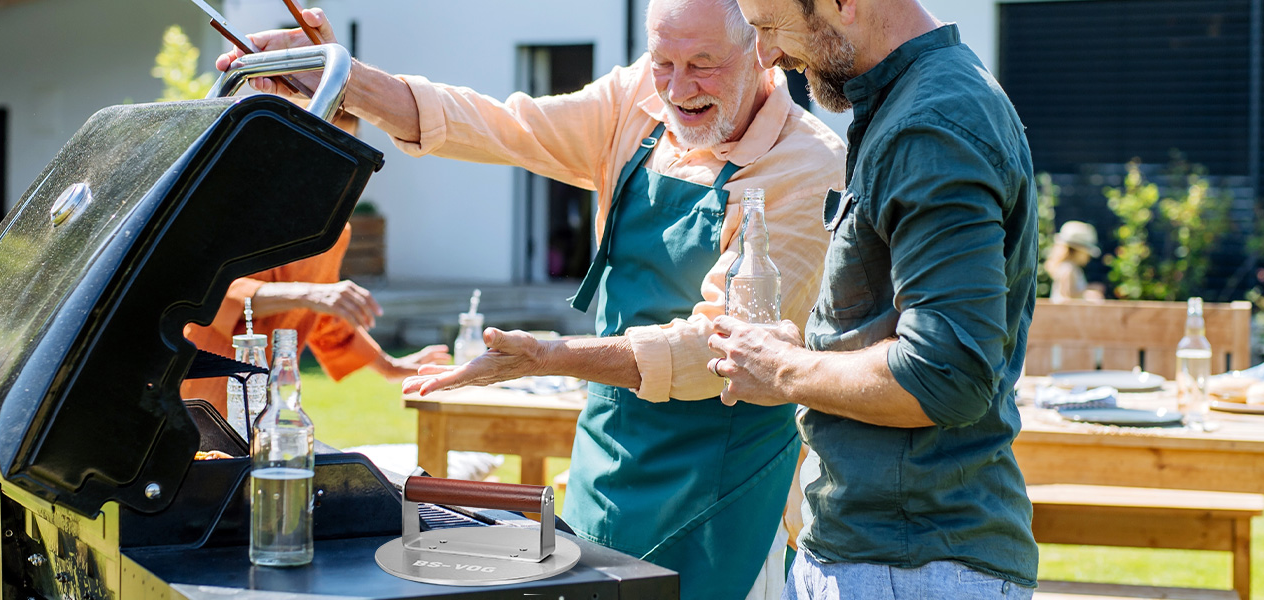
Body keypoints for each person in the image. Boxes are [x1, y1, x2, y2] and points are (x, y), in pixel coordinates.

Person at [218, 1, 845, 597]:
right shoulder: (637, 100)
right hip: (609, 447)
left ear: (764, 46)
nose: (677, 90)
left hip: (722, 477)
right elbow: (502, 125)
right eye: (663, 63)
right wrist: (347, 79)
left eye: (702, 65)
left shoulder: (808, 165)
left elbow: (717, 347)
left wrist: (550, 356)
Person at [708, 0, 1040, 597]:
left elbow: (943, 375)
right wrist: (803, 354)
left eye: (768, 25)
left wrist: (784, 369)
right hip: (890, 558)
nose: (766, 56)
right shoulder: (912, 101)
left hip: (909, 566)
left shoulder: (931, 124)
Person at [182, 114, 451, 411]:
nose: (335, 161)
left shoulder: (334, 230)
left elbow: (323, 315)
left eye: (346, 148)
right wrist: (311, 294)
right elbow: (212, 293)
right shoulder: (240, 204)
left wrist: (389, 366)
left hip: (272, 399)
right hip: (203, 389)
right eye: (325, 144)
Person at [1046, 220, 1105, 302]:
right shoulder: (1068, 269)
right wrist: (1088, 293)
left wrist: (1089, 288)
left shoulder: (1071, 268)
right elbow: (1067, 296)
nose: (1088, 256)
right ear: (1077, 251)